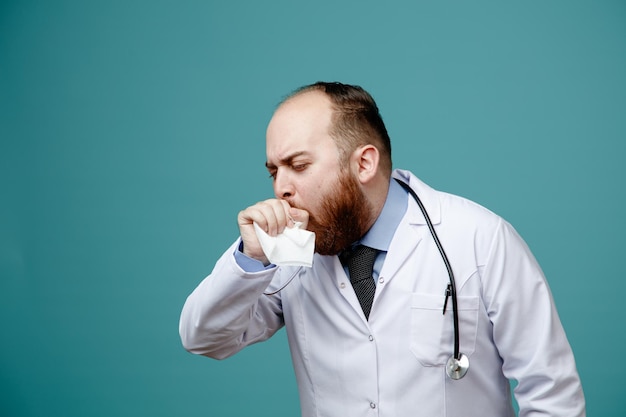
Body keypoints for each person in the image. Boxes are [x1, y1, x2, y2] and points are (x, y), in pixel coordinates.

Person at [179, 81, 585, 416]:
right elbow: (206, 338)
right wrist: (252, 258)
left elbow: (553, 397)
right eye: (274, 171)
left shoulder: (479, 238)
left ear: (364, 164)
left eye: (299, 166)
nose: (280, 187)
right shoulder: (286, 252)